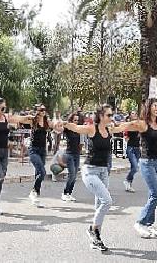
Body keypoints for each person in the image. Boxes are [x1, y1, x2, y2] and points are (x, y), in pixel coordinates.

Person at [114, 98, 157, 238]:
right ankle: (140, 222)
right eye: (154, 106)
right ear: (148, 108)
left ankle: (149, 224)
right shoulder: (143, 124)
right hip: (146, 162)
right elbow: (128, 125)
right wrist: (113, 127)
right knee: (156, 195)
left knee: (152, 195)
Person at [62, 104, 115, 251]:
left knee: (100, 206)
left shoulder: (109, 129)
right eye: (109, 115)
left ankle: (96, 238)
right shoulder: (92, 128)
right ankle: (92, 229)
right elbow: (77, 128)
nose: (111, 118)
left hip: (103, 171)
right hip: (90, 171)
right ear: (101, 116)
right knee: (107, 201)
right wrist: (64, 123)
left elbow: (126, 126)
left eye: (112, 115)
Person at [26, 104, 62, 207]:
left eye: (44, 110)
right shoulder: (32, 120)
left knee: (38, 172)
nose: (43, 112)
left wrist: (59, 124)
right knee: (42, 172)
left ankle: (35, 195)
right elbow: (21, 119)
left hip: (42, 150)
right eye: (41, 110)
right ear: (36, 111)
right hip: (33, 150)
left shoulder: (46, 121)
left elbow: (55, 126)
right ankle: (34, 191)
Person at [61, 112, 84, 202]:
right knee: (72, 174)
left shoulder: (78, 129)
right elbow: (62, 124)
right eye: (74, 120)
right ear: (71, 120)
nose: (76, 122)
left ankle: (69, 193)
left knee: (74, 176)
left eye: (77, 120)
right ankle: (65, 193)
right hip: (69, 154)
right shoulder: (68, 129)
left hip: (76, 154)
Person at [123, 111, 141, 193]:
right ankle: (127, 180)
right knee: (135, 167)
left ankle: (129, 184)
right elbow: (125, 136)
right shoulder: (128, 125)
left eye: (136, 114)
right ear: (130, 116)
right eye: (133, 113)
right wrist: (126, 137)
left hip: (137, 148)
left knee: (133, 167)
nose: (135, 115)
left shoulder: (139, 125)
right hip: (130, 148)